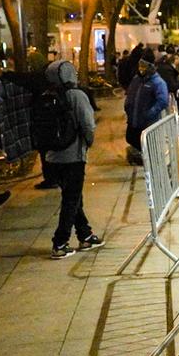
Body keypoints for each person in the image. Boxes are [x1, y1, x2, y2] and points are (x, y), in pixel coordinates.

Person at [44, 60, 104, 258]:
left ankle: (85, 234)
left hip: (52, 157)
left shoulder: (46, 96)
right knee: (71, 200)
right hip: (73, 156)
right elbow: (88, 125)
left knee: (73, 197)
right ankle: (60, 242)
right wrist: (89, 142)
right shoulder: (76, 95)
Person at [126, 51, 170, 153]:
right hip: (133, 120)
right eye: (140, 65)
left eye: (144, 66)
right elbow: (130, 93)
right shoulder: (136, 79)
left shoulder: (158, 82)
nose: (141, 68)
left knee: (148, 147)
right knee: (132, 140)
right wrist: (127, 106)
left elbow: (163, 101)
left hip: (147, 123)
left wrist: (150, 113)